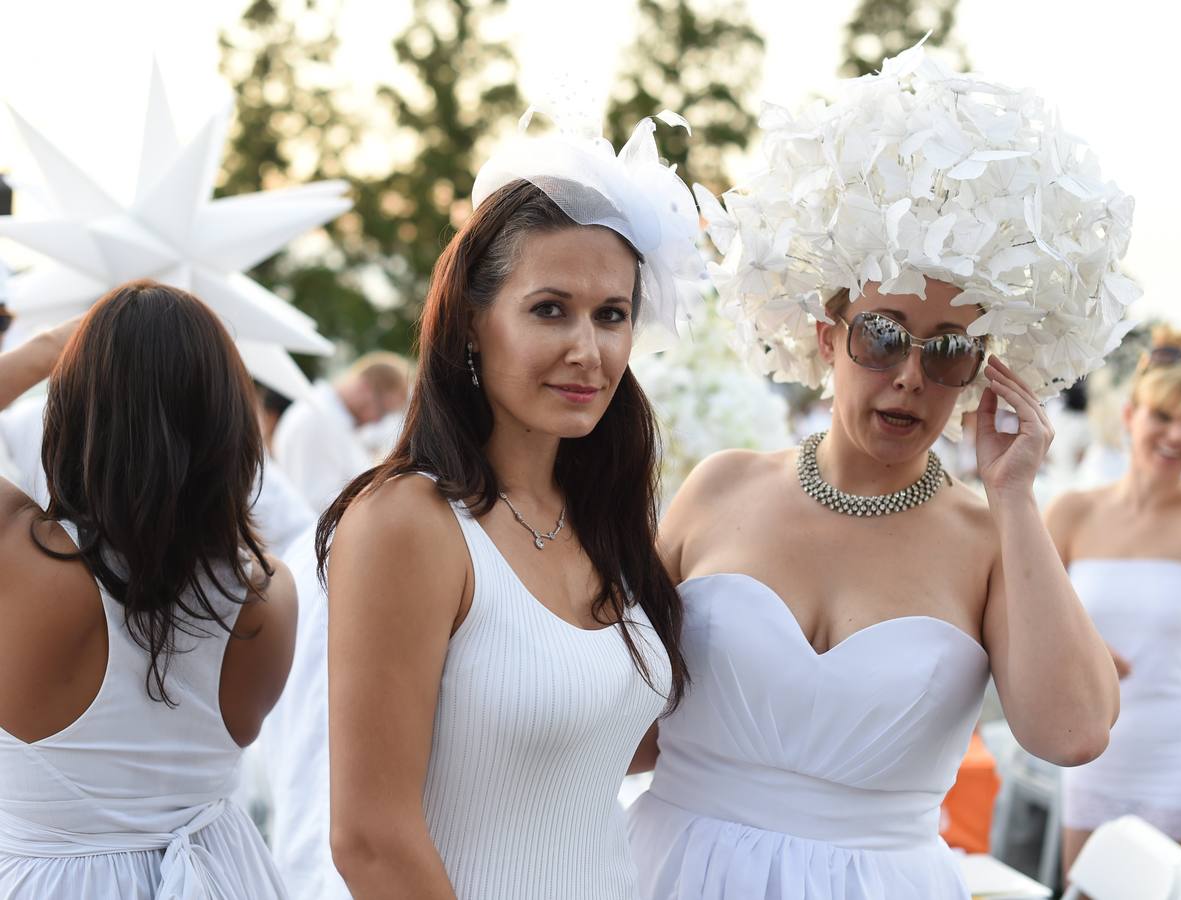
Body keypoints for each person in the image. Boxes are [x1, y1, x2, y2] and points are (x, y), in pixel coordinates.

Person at [628, 45, 1130, 899]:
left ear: (981, 375)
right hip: (668, 869)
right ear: (828, 339)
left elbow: (1074, 731)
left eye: (947, 354)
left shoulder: (986, 538)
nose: (908, 376)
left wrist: (1013, 498)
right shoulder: (718, 489)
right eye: (883, 334)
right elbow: (622, 724)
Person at [320, 109, 705, 899]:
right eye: (549, 309)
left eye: (611, 315)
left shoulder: (603, 520)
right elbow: (370, 840)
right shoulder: (408, 525)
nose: (587, 351)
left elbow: (594, 748)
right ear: (472, 322)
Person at [0, 280, 296, 898]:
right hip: (223, 875)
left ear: (75, 410)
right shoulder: (265, 591)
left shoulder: (21, 557)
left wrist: (48, 348)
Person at [1050, 329, 1181, 895]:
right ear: (1130, 413)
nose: (1177, 435)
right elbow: (1016, 611)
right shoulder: (1072, 513)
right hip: (1098, 753)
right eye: (1164, 414)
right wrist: (1076, 646)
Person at [272, 351, 413, 513]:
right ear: (364, 387)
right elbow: (317, 503)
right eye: (382, 411)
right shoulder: (318, 420)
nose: (376, 421)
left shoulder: (332, 419)